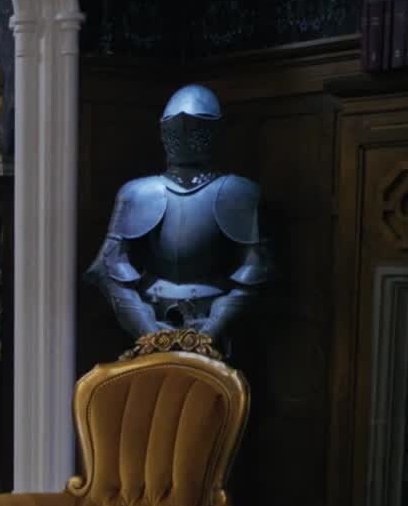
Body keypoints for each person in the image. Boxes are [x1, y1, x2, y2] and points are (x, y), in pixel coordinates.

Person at [83, 83, 273, 357]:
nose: (184, 135)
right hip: (151, 320)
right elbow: (107, 269)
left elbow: (256, 270)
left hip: (214, 326)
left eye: (193, 130)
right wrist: (148, 329)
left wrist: (211, 330)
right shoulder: (137, 193)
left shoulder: (239, 193)